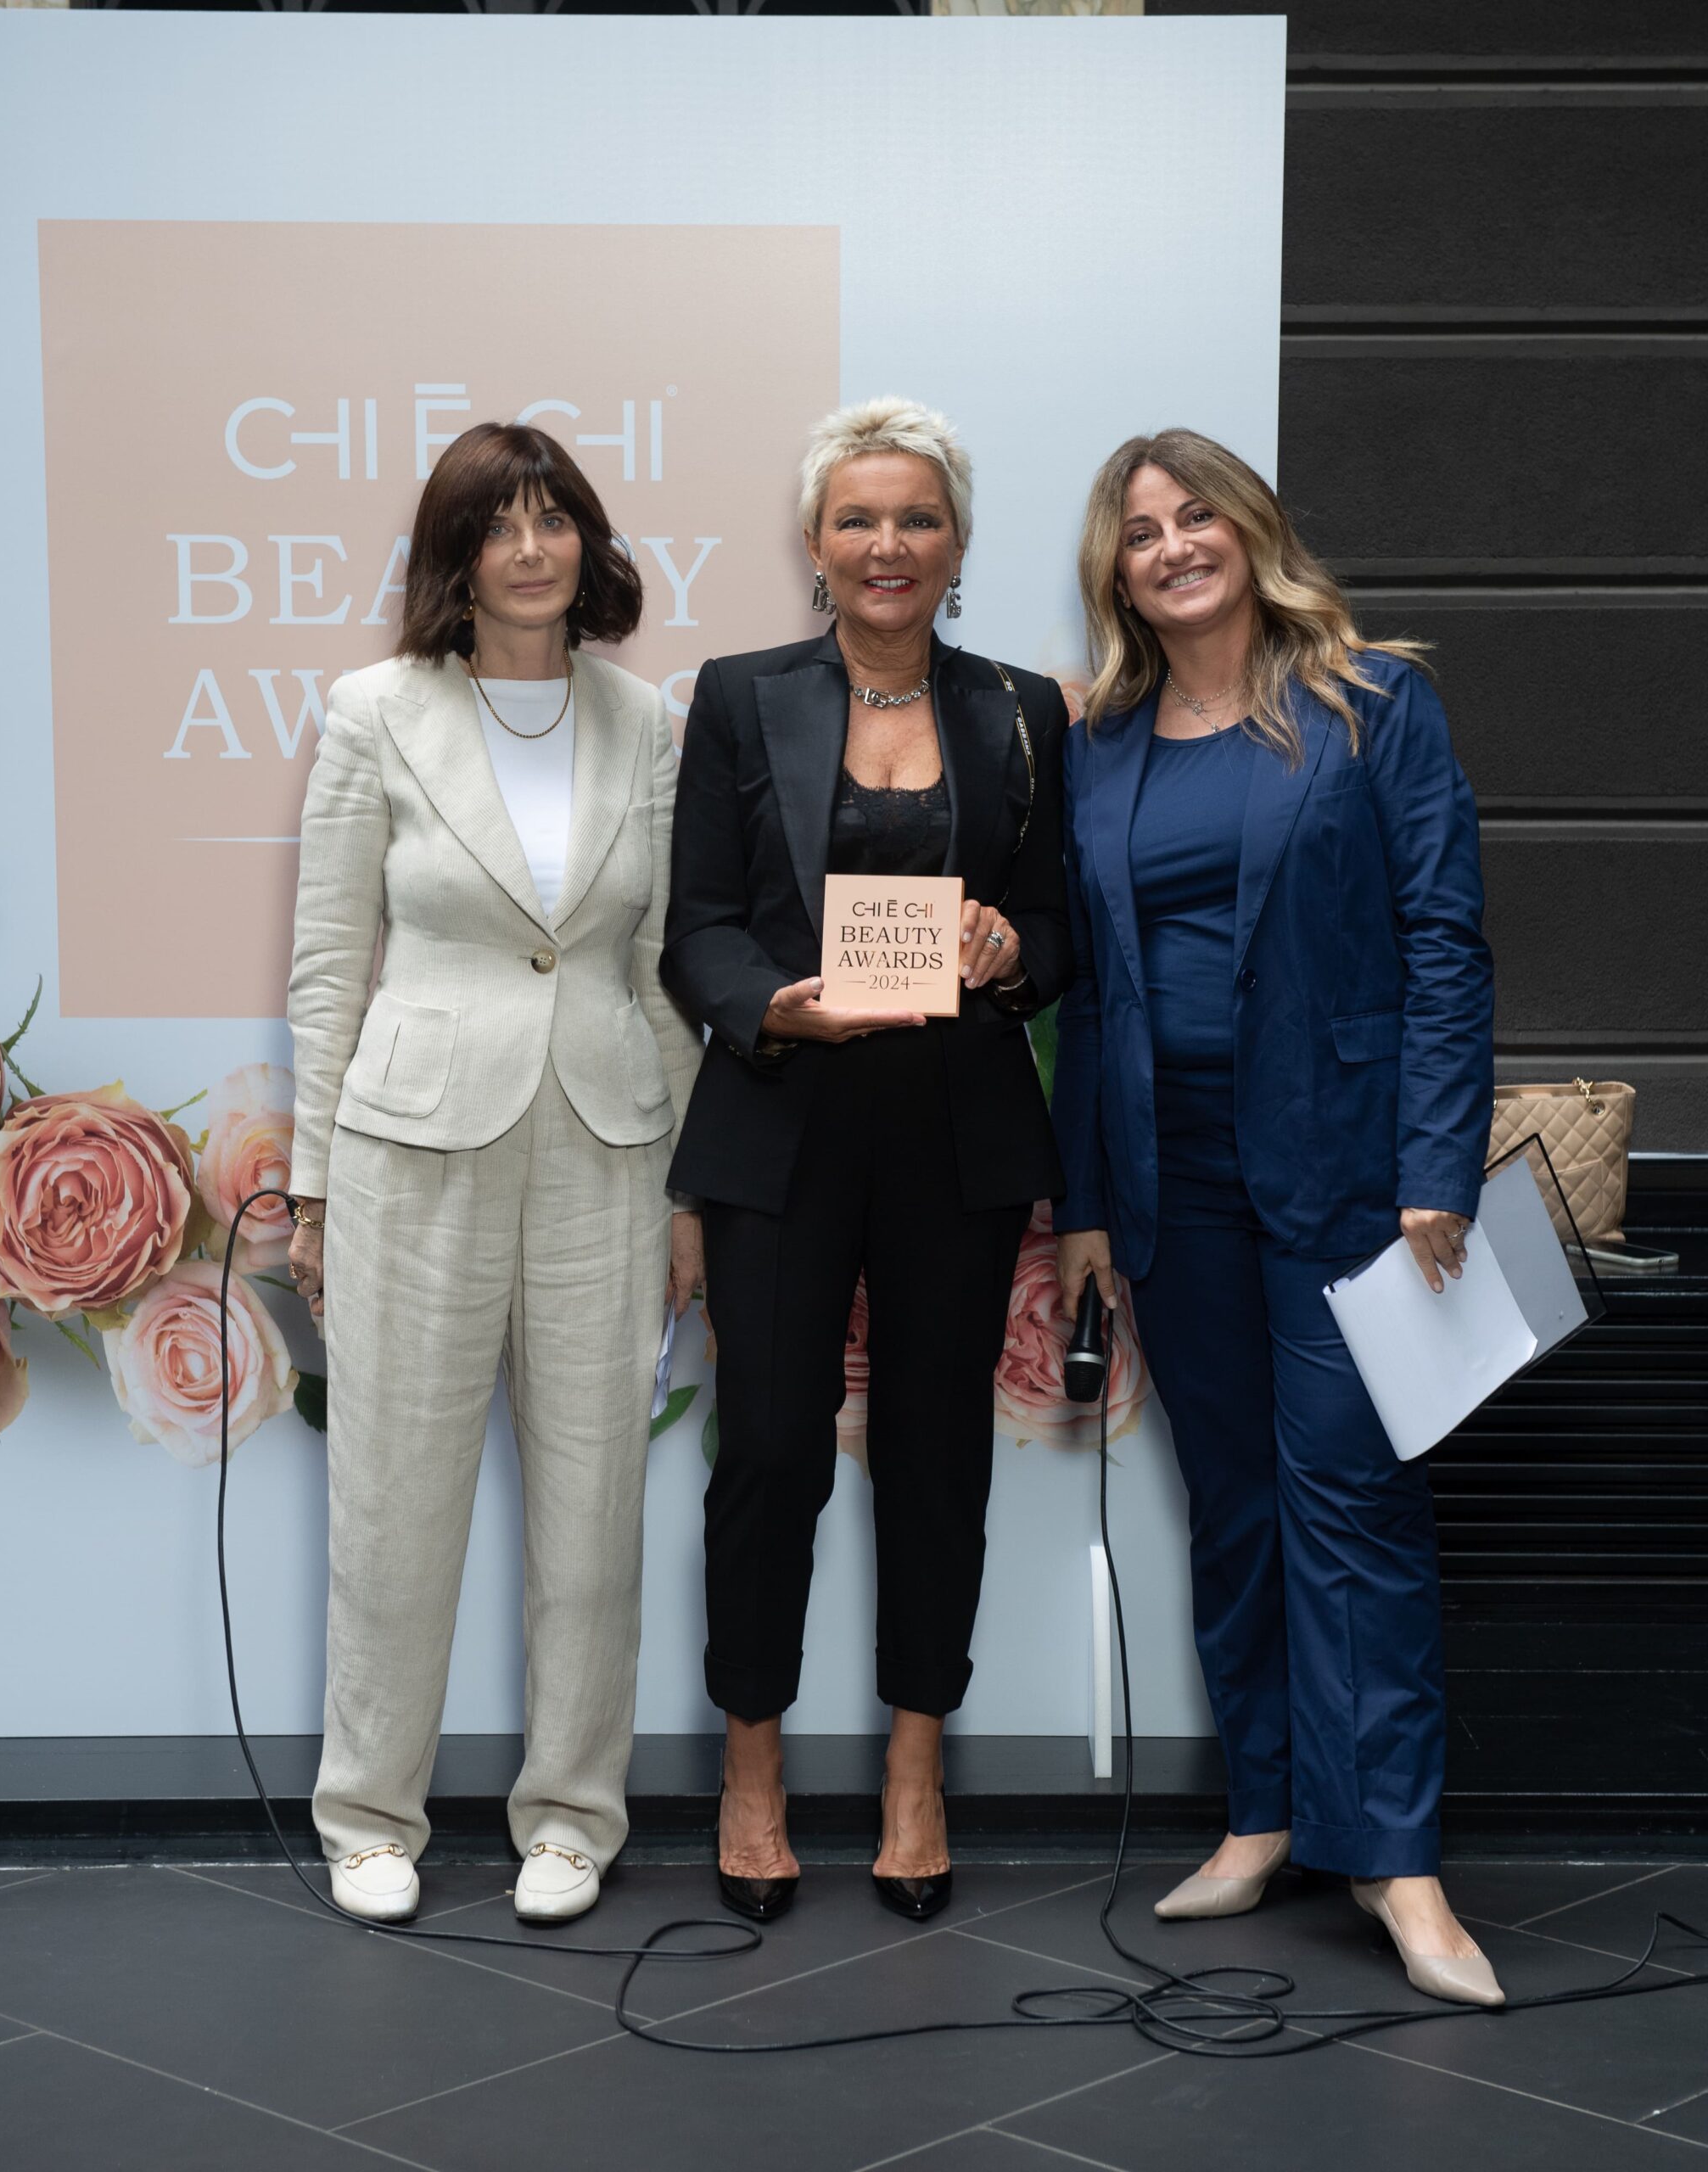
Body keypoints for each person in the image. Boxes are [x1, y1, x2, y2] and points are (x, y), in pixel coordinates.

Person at [1053, 428, 1504, 2007]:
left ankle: (1397, 1863)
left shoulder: (1374, 704)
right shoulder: (1103, 744)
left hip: (1350, 1178)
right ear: (1117, 573)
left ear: (1250, 533)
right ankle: (1264, 1817)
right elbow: (1091, 992)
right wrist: (1087, 1204)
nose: (1173, 546)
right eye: (1141, 532)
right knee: (1235, 1512)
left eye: (1197, 518)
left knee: (1354, 1509)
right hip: (1167, 1185)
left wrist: (1437, 1164)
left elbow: (1444, 938)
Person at [285, 422, 703, 1926]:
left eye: (553, 519)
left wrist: (690, 1193)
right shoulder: (374, 711)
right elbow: (329, 964)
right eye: (497, 525)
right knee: (393, 1501)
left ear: (589, 542)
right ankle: (368, 1817)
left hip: (609, 1147)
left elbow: (662, 971)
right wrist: (313, 1187)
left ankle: (572, 1819)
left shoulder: (646, 719)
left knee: (595, 1506)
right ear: (453, 559)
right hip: (412, 1152)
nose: (531, 549)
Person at [662, 397, 1072, 1923]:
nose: (887, 543)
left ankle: (915, 1772)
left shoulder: (1023, 709)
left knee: (936, 1456)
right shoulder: (737, 697)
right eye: (858, 517)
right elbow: (696, 926)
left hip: (956, 1132)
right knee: (769, 1452)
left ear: (956, 545)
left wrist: (1013, 946)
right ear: (813, 543)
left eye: (917, 517)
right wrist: (771, 1006)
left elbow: (1060, 926)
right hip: (780, 1121)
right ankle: (750, 1771)